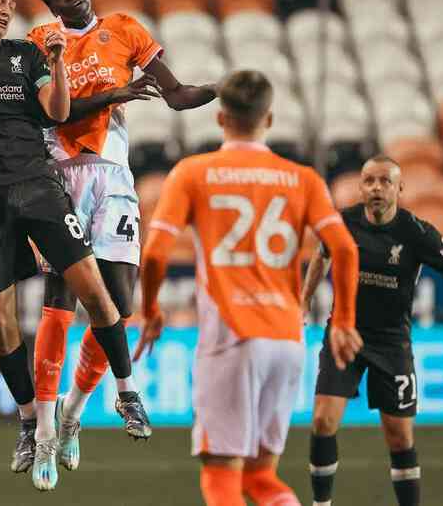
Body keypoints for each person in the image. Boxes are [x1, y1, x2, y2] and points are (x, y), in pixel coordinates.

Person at [0, 0, 151, 492]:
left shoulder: (27, 54)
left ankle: (126, 391)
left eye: (11, 2)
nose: (7, 9)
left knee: (99, 294)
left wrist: (57, 65)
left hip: (39, 186)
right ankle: (30, 421)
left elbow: (58, 111)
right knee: (2, 323)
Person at [135, 70, 363, 506]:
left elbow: (156, 253)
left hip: (231, 337)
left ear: (221, 119)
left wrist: (150, 310)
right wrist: (344, 320)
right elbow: (345, 250)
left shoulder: (194, 172)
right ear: (270, 119)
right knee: (261, 478)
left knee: (221, 478)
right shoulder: (303, 178)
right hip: (286, 338)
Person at [25, 0, 218, 471]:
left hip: (112, 176)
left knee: (120, 303)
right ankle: (45, 431)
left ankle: (73, 412)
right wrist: (113, 94)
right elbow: (51, 112)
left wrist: (224, 89)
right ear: (51, 5)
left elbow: (176, 95)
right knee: (60, 301)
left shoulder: (126, 29)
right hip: (58, 175)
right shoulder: (41, 39)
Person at [303, 155, 443, 506]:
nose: (376, 188)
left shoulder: (416, 232)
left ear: (399, 188)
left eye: (384, 181)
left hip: (392, 344)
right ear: (361, 187)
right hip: (344, 335)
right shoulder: (342, 222)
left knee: (399, 438)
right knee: (322, 421)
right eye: (369, 181)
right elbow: (321, 257)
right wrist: (303, 302)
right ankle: (321, 504)